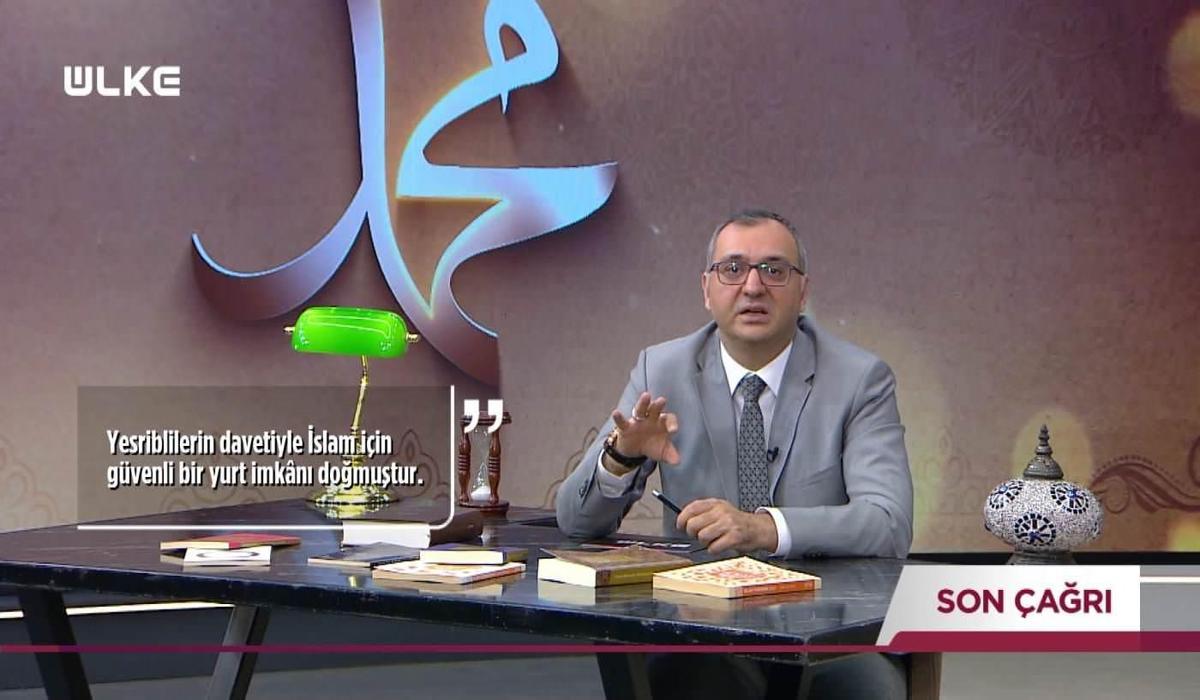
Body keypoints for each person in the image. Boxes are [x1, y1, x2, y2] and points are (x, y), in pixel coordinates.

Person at [555, 208, 914, 699]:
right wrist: (623, 458)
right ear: (707, 289)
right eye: (733, 269)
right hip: (703, 627)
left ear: (803, 292)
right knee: (680, 677)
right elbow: (575, 521)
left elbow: (888, 523)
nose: (753, 286)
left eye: (774, 270)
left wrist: (763, 528)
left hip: (831, 627)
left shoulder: (859, 379)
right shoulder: (661, 370)